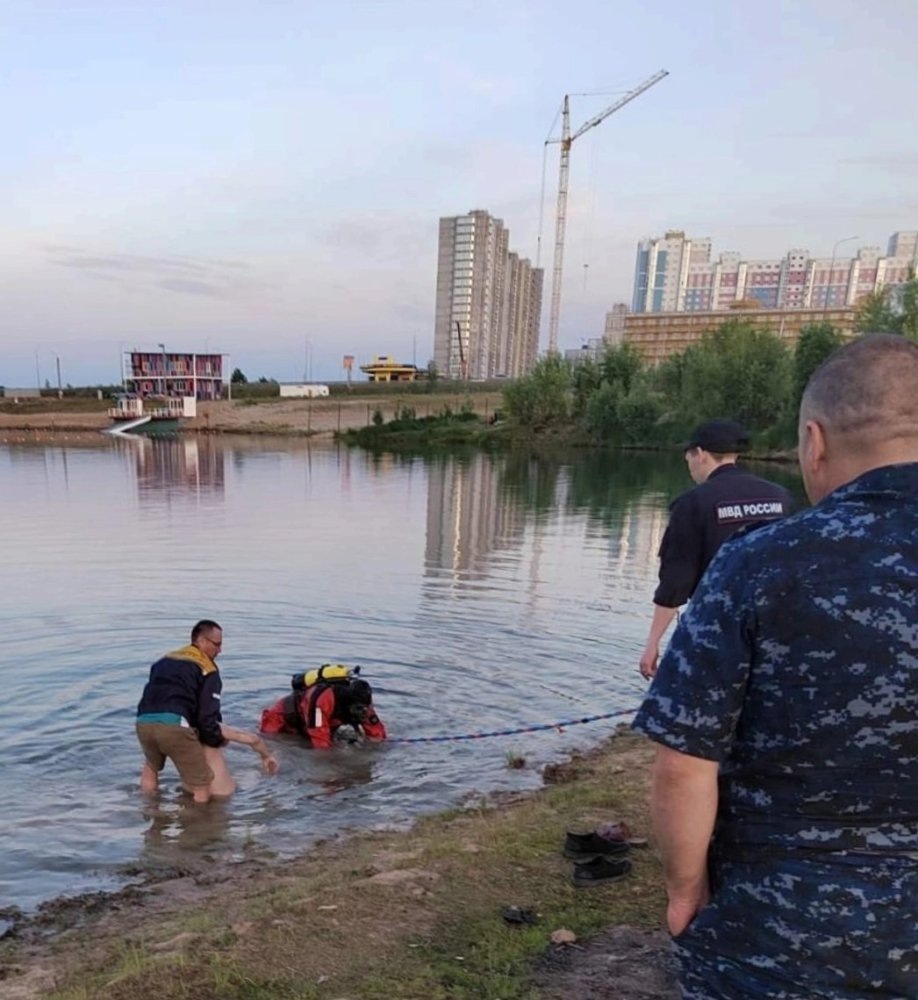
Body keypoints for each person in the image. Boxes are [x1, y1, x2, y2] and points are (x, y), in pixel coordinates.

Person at [632, 334, 918, 998]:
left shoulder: (758, 563)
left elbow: (683, 761)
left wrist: (683, 888)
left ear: (814, 442)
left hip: (777, 938)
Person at [639, 419, 794, 679]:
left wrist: (652, 643)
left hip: (716, 632)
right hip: (777, 629)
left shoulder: (692, 504)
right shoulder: (781, 497)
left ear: (699, 454)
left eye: (688, 458)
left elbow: (675, 583)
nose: (689, 466)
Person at [136, 619, 278, 803]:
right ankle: (200, 825)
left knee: (151, 767)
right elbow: (207, 718)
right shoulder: (207, 668)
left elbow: (160, 693)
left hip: (143, 722)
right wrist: (216, 739)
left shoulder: (165, 659)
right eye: (217, 644)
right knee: (202, 785)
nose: (220, 650)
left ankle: (149, 813)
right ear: (201, 641)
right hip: (175, 726)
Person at [260, 664, 387, 748]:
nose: (364, 712)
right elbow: (320, 741)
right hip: (281, 719)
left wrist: (378, 743)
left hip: (321, 720)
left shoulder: (363, 702)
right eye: (359, 709)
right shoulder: (321, 702)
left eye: (366, 708)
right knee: (270, 740)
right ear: (348, 702)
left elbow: (377, 731)